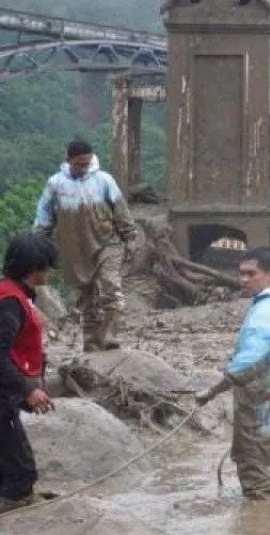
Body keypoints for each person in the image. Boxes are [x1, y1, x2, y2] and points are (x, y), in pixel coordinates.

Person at [196, 248, 270, 498]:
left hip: (261, 406)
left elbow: (248, 360)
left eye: (251, 273)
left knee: (259, 487)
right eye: (241, 273)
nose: (243, 279)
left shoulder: (265, 311)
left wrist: (212, 390)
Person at [33, 140, 138, 352]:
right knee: (85, 297)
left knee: (111, 289)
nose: (84, 168)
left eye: (87, 163)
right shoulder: (56, 185)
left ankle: (109, 336)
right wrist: (38, 243)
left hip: (107, 243)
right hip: (75, 250)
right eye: (79, 164)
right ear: (69, 159)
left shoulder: (104, 180)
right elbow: (44, 217)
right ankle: (90, 341)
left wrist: (130, 237)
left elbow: (121, 210)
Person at [0, 235, 58, 514]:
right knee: (21, 469)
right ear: (34, 267)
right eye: (46, 266)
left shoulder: (14, 294)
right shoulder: (10, 302)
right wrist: (28, 389)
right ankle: (15, 500)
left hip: (6, 388)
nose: (48, 271)